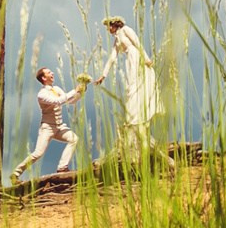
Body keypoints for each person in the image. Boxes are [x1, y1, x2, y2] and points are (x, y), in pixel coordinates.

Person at [96, 15, 173, 167]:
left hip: (137, 58)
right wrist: (103, 75)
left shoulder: (126, 30)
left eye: (109, 27)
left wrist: (146, 58)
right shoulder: (116, 39)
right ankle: (133, 117)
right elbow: (112, 58)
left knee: (137, 86)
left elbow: (137, 43)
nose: (108, 30)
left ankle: (137, 118)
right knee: (130, 89)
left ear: (114, 25)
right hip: (129, 62)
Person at [10, 66, 86, 180]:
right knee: (38, 153)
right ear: (44, 78)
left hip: (60, 127)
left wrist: (81, 92)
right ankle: (15, 174)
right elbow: (58, 101)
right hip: (47, 128)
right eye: (49, 72)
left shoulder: (57, 89)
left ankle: (62, 167)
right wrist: (74, 90)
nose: (52, 73)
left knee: (74, 139)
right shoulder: (42, 94)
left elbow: (71, 101)